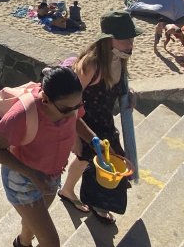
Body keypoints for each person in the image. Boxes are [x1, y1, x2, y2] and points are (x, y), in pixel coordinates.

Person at [0, 66, 92, 247]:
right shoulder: (22, 114)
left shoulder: (69, 105)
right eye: (67, 109)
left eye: (78, 105)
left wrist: (94, 140)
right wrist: (32, 174)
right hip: (22, 180)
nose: (72, 114)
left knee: (35, 220)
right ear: (45, 100)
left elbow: (76, 118)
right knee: (51, 242)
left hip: (51, 174)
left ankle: (22, 242)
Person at [57, 11, 137, 224]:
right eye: (126, 38)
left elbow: (118, 86)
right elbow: (71, 100)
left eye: (132, 37)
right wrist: (75, 136)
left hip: (104, 122)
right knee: (109, 164)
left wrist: (128, 94)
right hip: (87, 123)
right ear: (109, 39)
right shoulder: (91, 65)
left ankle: (66, 190)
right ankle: (99, 206)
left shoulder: (119, 58)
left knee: (86, 159)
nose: (131, 43)